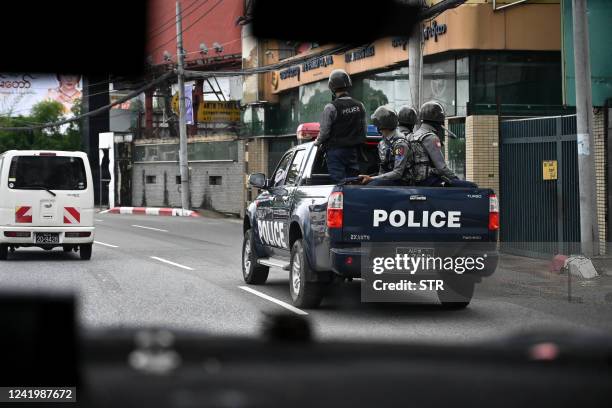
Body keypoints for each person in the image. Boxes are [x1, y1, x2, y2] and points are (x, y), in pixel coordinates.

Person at [407, 101, 477, 188]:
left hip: (415, 181)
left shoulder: (413, 136)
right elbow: (442, 168)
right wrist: (455, 179)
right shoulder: (431, 137)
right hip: (430, 181)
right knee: (472, 186)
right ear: (439, 120)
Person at [314, 69, 367, 184]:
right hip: (353, 152)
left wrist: (316, 143)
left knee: (340, 184)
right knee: (353, 183)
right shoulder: (360, 106)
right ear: (348, 85)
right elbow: (364, 129)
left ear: (332, 87)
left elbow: (324, 133)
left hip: (335, 152)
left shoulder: (330, 107)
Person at [359, 106, 411, 187]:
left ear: (382, 125)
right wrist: (370, 178)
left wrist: (373, 179)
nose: (376, 127)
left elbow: (398, 173)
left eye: (377, 125)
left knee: (371, 186)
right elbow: (383, 168)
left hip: (400, 182)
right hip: (388, 179)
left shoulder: (400, 145)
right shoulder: (384, 142)